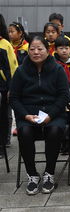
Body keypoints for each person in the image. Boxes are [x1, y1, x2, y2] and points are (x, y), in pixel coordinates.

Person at [9, 36, 70, 195]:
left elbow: (64, 96)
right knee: (25, 132)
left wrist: (50, 115)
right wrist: (25, 115)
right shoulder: (21, 70)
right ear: (28, 51)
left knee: (55, 130)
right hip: (28, 114)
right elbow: (14, 98)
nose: (36, 52)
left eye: (40, 49)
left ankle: (49, 173)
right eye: (32, 49)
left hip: (53, 112)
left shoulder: (57, 69)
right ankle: (32, 174)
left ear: (48, 50)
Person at [0, 14, 18, 158]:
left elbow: (13, 68)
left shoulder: (5, 44)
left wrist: (11, 88)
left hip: (2, 88)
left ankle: (2, 145)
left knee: (3, 117)